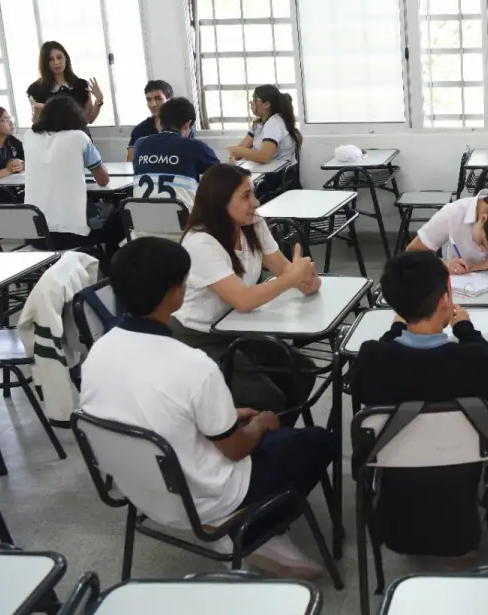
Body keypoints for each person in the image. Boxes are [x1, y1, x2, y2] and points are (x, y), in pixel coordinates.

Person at [80, 237, 335, 579]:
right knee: (318, 440)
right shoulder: (193, 365)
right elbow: (235, 449)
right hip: (205, 499)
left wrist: (227, 418)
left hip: (140, 490)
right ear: (175, 293)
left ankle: (250, 528)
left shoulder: (98, 352)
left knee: (246, 422)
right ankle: (254, 532)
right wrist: (260, 425)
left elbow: (149, 412)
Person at [350, 251, 488, 556]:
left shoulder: (373, 359)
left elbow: (358, 387)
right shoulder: (471, 360)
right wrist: (465, 329)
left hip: (398, 477)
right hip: (462, 469)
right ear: (444, 301)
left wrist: (396, 330)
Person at [170, 163, 320, 419]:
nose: (255, 203)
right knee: (266, 397)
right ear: (220, 202)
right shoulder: (201, 242)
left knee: (303, 372)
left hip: (236, 327)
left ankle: (276, 445)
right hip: (199, 336)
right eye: (246, 196)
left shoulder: (253, 223)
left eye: (253, 193)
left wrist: (306, 280)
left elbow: (282, 268)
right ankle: (260, 446)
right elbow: (242, 300)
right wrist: (292, 277)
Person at [21, 96, 122, 260]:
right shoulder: (79, 137)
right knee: (119, 216)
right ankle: (108, 266)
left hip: (35, 235)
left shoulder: (29, 136)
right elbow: (103, 179)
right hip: (70, 235)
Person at [131, 97, 220, 211]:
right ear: (187, 125)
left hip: (141, 223)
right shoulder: (196, 147)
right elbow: (221, 178)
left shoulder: (140, 144)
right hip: (185, 225)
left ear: (160, 123)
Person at [26, 41, 104, 125]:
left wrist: (99, 101)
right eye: (51, 59)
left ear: (66, 59)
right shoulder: (36, 89)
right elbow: (36, 123)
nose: (56, 62)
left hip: (78, 136)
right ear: (45, 63)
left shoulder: (81, 85)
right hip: (52, 137)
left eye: (59, 57)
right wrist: (37, 111)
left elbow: (89, 119)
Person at [228, 85, 301, 166]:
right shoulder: (259, 124)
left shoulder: (275, 123)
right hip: (263, 171)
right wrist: (234, 155)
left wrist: (236, 150)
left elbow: (264, 157)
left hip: (276, 175)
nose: (251, 103)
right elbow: (238, 152)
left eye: (254, 99)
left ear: (266, 104)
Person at [126, 80, 176, 161]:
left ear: (169, 100)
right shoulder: (140, 129)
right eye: (149, 100)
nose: (153, 104)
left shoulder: (182, 126)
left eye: (158, 99)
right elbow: (130, 162)